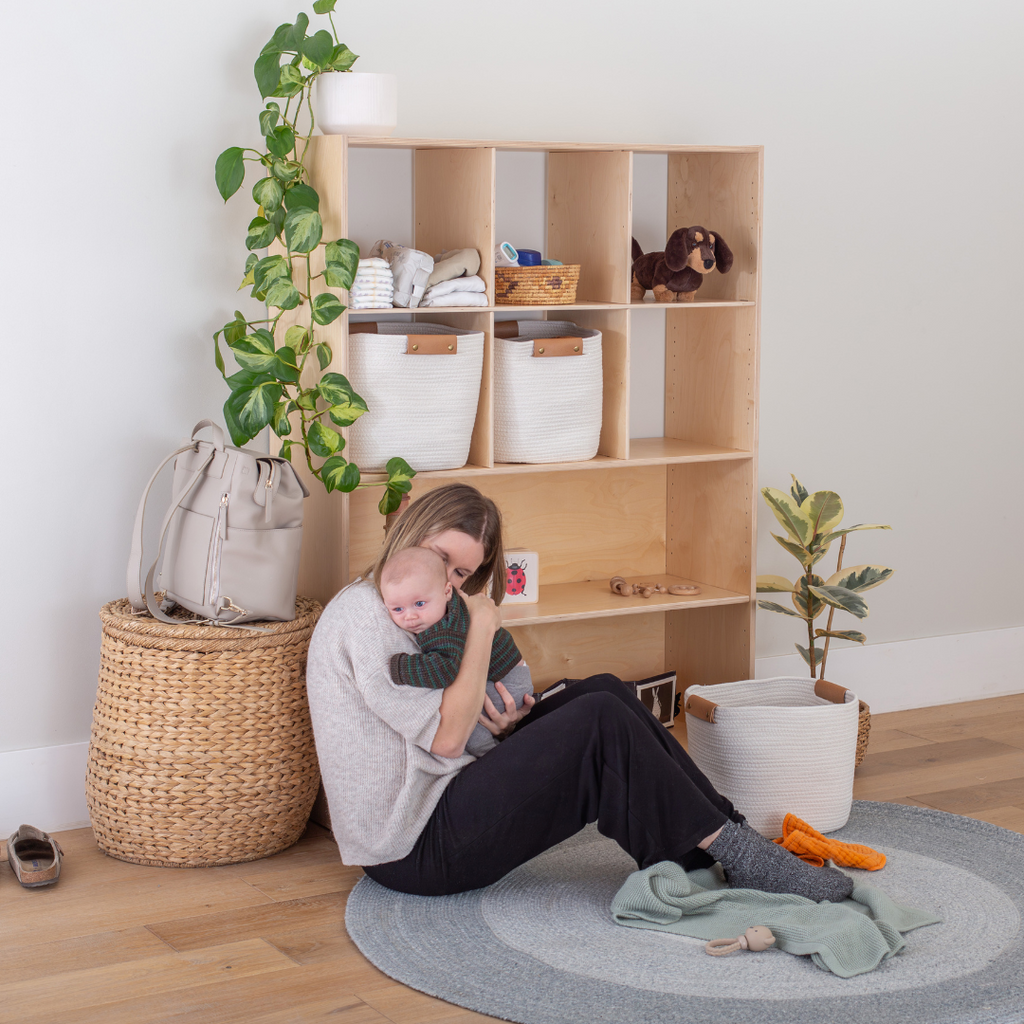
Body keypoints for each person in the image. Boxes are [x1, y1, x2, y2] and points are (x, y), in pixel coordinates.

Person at [306, 483, 853, 902]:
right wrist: (482, 623)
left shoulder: (421, 609)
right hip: (414, 849)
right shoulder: (371, 616)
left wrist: (506, 725)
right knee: (597, 722)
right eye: (442, 560)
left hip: (444, 802)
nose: (450, 582)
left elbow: (450, 727)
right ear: (412, 537)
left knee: (606, 693)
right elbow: (447, 741)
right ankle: (739, 853)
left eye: (464, 574)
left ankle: (713, 843)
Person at [377, 545, 533, 756]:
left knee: (471, 734)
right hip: (510, 673)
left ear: (447, 591)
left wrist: (399, 666)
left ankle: (493, 757)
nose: (409, 617)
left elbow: (445, 670)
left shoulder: (443, 629)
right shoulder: (442, 605)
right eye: (397, 609)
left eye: (419, 604)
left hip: (506, 682)